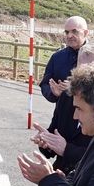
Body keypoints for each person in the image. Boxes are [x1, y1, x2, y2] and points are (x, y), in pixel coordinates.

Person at [31, 42, 94, 171]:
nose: (84, 78)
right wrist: (46, 142)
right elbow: (54, 133)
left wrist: (66, 150)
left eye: (91, 72)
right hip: (62, 177)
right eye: (80, 70)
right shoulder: (66, 97)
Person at [36, 16, 89, 167]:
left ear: (86, 33)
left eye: (74, 31)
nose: (69, 36)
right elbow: (45, 83)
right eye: (66, 32)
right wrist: (54, 93)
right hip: (64, 116)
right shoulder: (57, 57)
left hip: (88, 127)